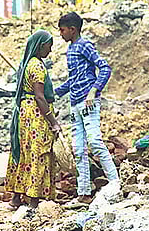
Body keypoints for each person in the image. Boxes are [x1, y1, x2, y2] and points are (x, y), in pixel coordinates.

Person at [55, 11, 119, 202]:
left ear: (72, 30)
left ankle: (116, 184)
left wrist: (94, 91)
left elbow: (105, 68)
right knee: (79, 149)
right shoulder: (71, 49)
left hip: (88, 102)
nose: (61, 33)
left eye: (62, 30)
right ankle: (84, 193)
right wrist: (53, 92)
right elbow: (72, 80)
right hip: (75, 104)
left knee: (95, 143)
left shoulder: (84, 46)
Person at [6, 30, 63, 210]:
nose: (50, 50)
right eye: (48, 46)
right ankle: (33, 201)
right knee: (38, 154)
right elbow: (40, 97)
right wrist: (53, 121)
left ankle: (16, 198)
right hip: (36, 116)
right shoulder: (37, 66)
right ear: (40, 47)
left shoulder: (26, 63)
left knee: (24, 152)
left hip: (25, 113)